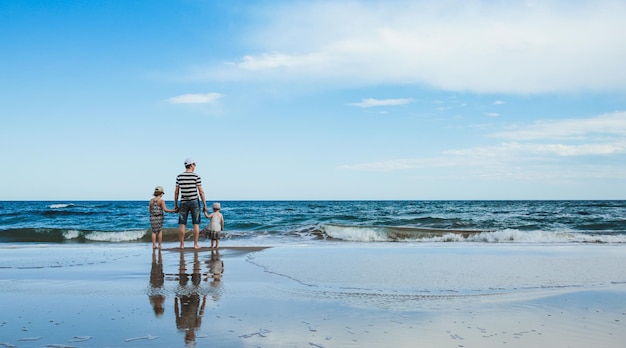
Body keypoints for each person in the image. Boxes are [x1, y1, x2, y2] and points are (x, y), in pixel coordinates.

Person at [174, 158, 208, 249]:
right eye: (195, 164)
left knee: (182, 224)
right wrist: (205, 205)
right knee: (196, 223)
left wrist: (175, 204)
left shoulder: (179, 176)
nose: (195, 166)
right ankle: (195, 244)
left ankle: (181, 245)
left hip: (183, 201)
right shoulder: (196, 176)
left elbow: (176, 192)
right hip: (194, 201)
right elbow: (201, 192)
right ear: (192, 165)